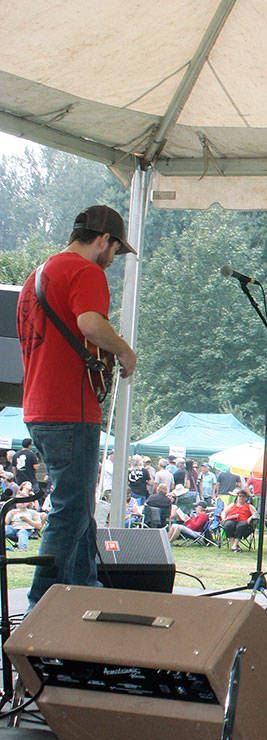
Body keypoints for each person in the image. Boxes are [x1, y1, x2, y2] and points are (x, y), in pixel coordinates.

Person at [15, 205, 138, 605]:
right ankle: (41, 605)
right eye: (116, 251)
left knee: (81, 507)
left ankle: (86, 594)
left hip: (37, 406)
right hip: (70, 408)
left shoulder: (37, 277)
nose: (113, 260)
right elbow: (89, 323)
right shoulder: (86, 272)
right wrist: (123, 350)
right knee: (70, 511)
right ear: (104, 240)